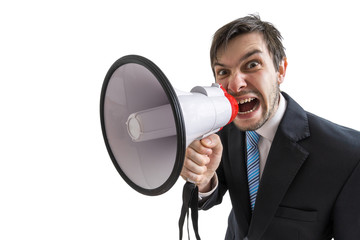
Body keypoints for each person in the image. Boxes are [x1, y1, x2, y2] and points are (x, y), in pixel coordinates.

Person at [180, 14, 360, 240]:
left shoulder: (349, 155)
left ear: (280, 69)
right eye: (224, 72)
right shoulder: (222, 128)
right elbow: (215, 193)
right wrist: (205, 180)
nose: (235, 84)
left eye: (252, 64)